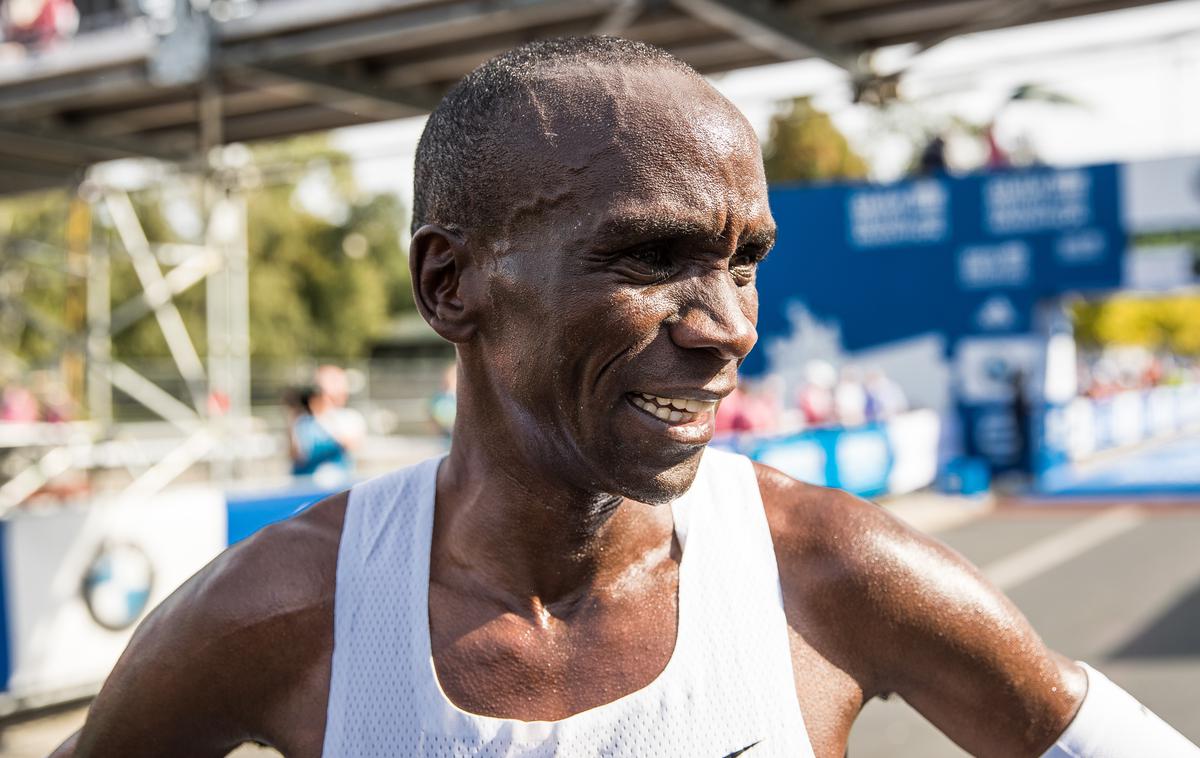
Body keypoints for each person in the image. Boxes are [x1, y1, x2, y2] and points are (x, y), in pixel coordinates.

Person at [54, 37, 1197, 757]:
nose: (731, 325)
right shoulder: (283, 610)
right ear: (450, 284)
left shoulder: (835, 571)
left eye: (744, 260)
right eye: (652, 258)